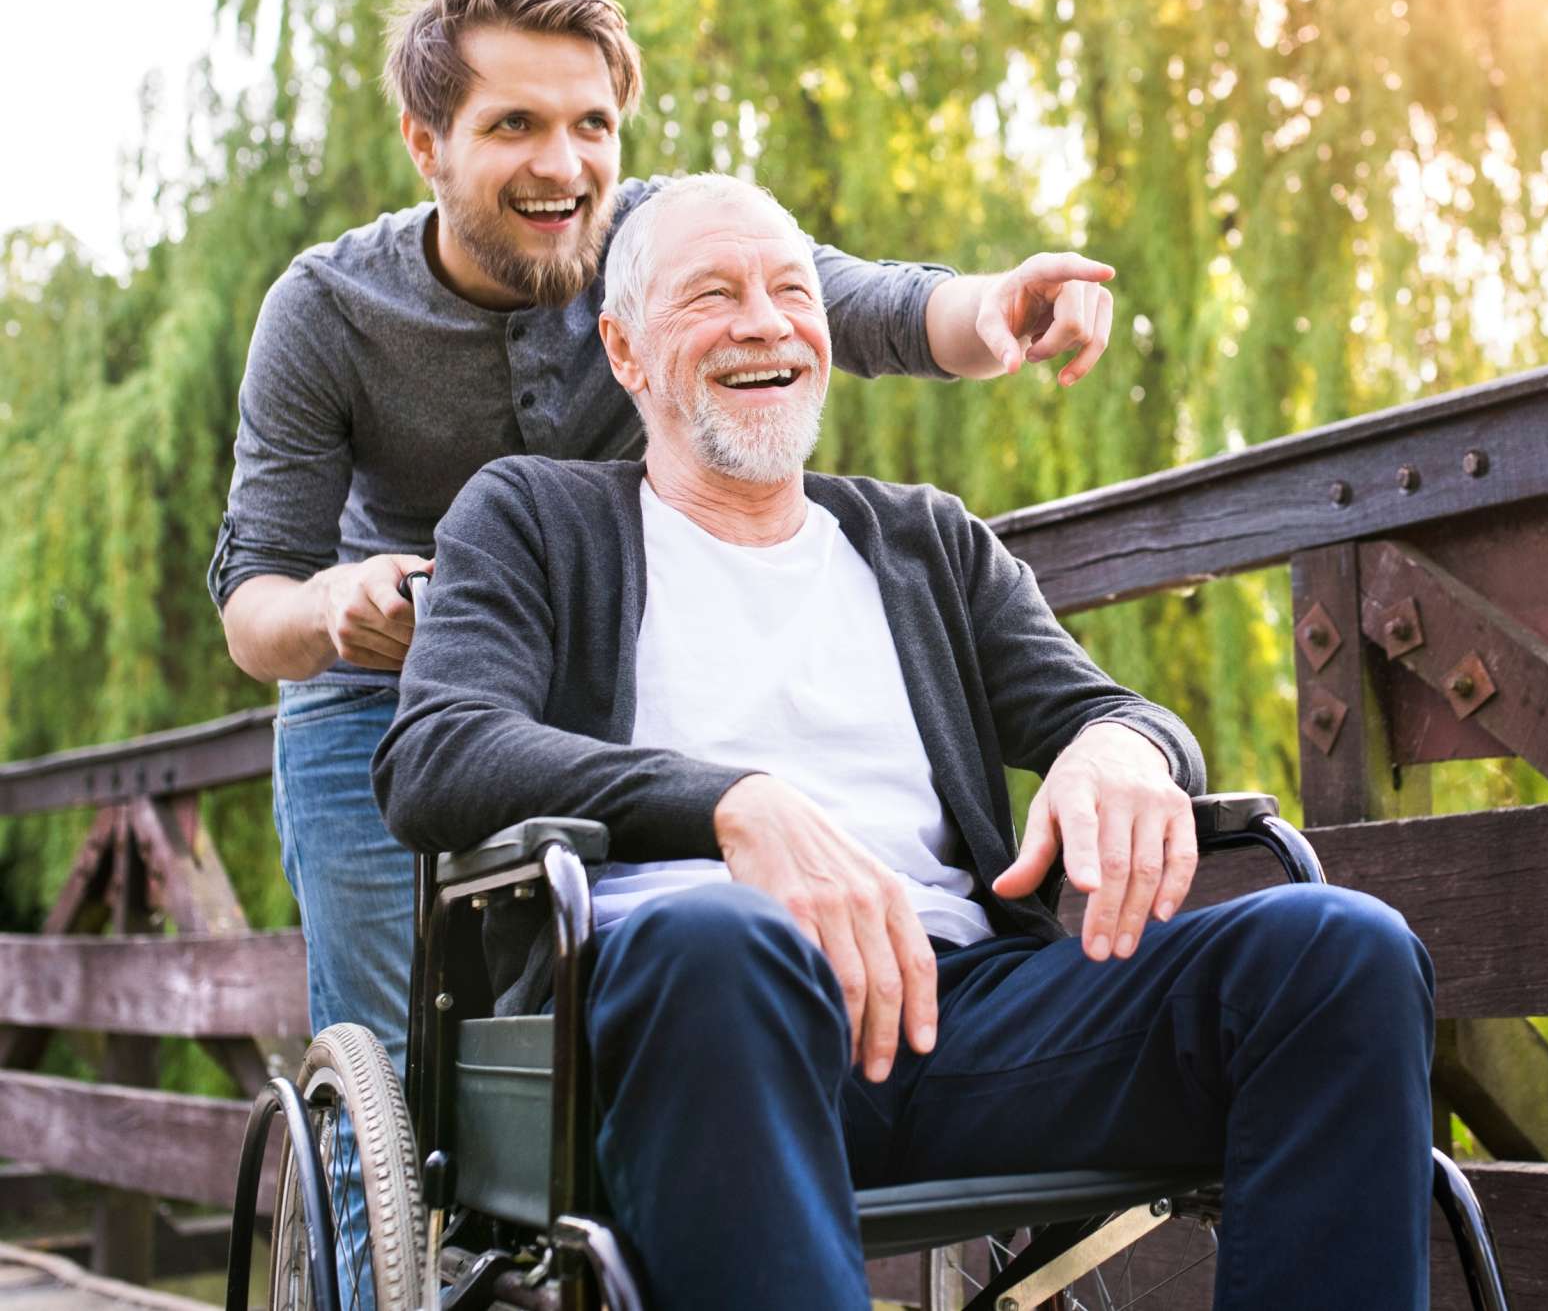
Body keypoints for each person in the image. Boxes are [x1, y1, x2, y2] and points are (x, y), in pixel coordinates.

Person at [372, 174, 1437, 1310]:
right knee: (719, 938)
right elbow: (438, 751)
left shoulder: (923, 540)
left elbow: (1108, 709)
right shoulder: (534, 516)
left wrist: (1122, 747)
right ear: (628, 355)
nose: (765, 321)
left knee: (1337, 951)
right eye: (712, 295)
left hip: (962, 1012)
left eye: (791, 290)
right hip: (686, 1014)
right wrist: (734, 805)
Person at [208, 0, 1124, 1077]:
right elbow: (253, 607)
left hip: (594, 671)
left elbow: (867, 304)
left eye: (592, 124)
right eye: (513, 126)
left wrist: (1001, 307)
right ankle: (399, 1241)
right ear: (424, 143)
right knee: (397, 1073)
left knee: (611, 1014)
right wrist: (333, 608)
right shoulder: (327, 310)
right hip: (378, 698)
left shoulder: (657, 251)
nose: (562, 165)